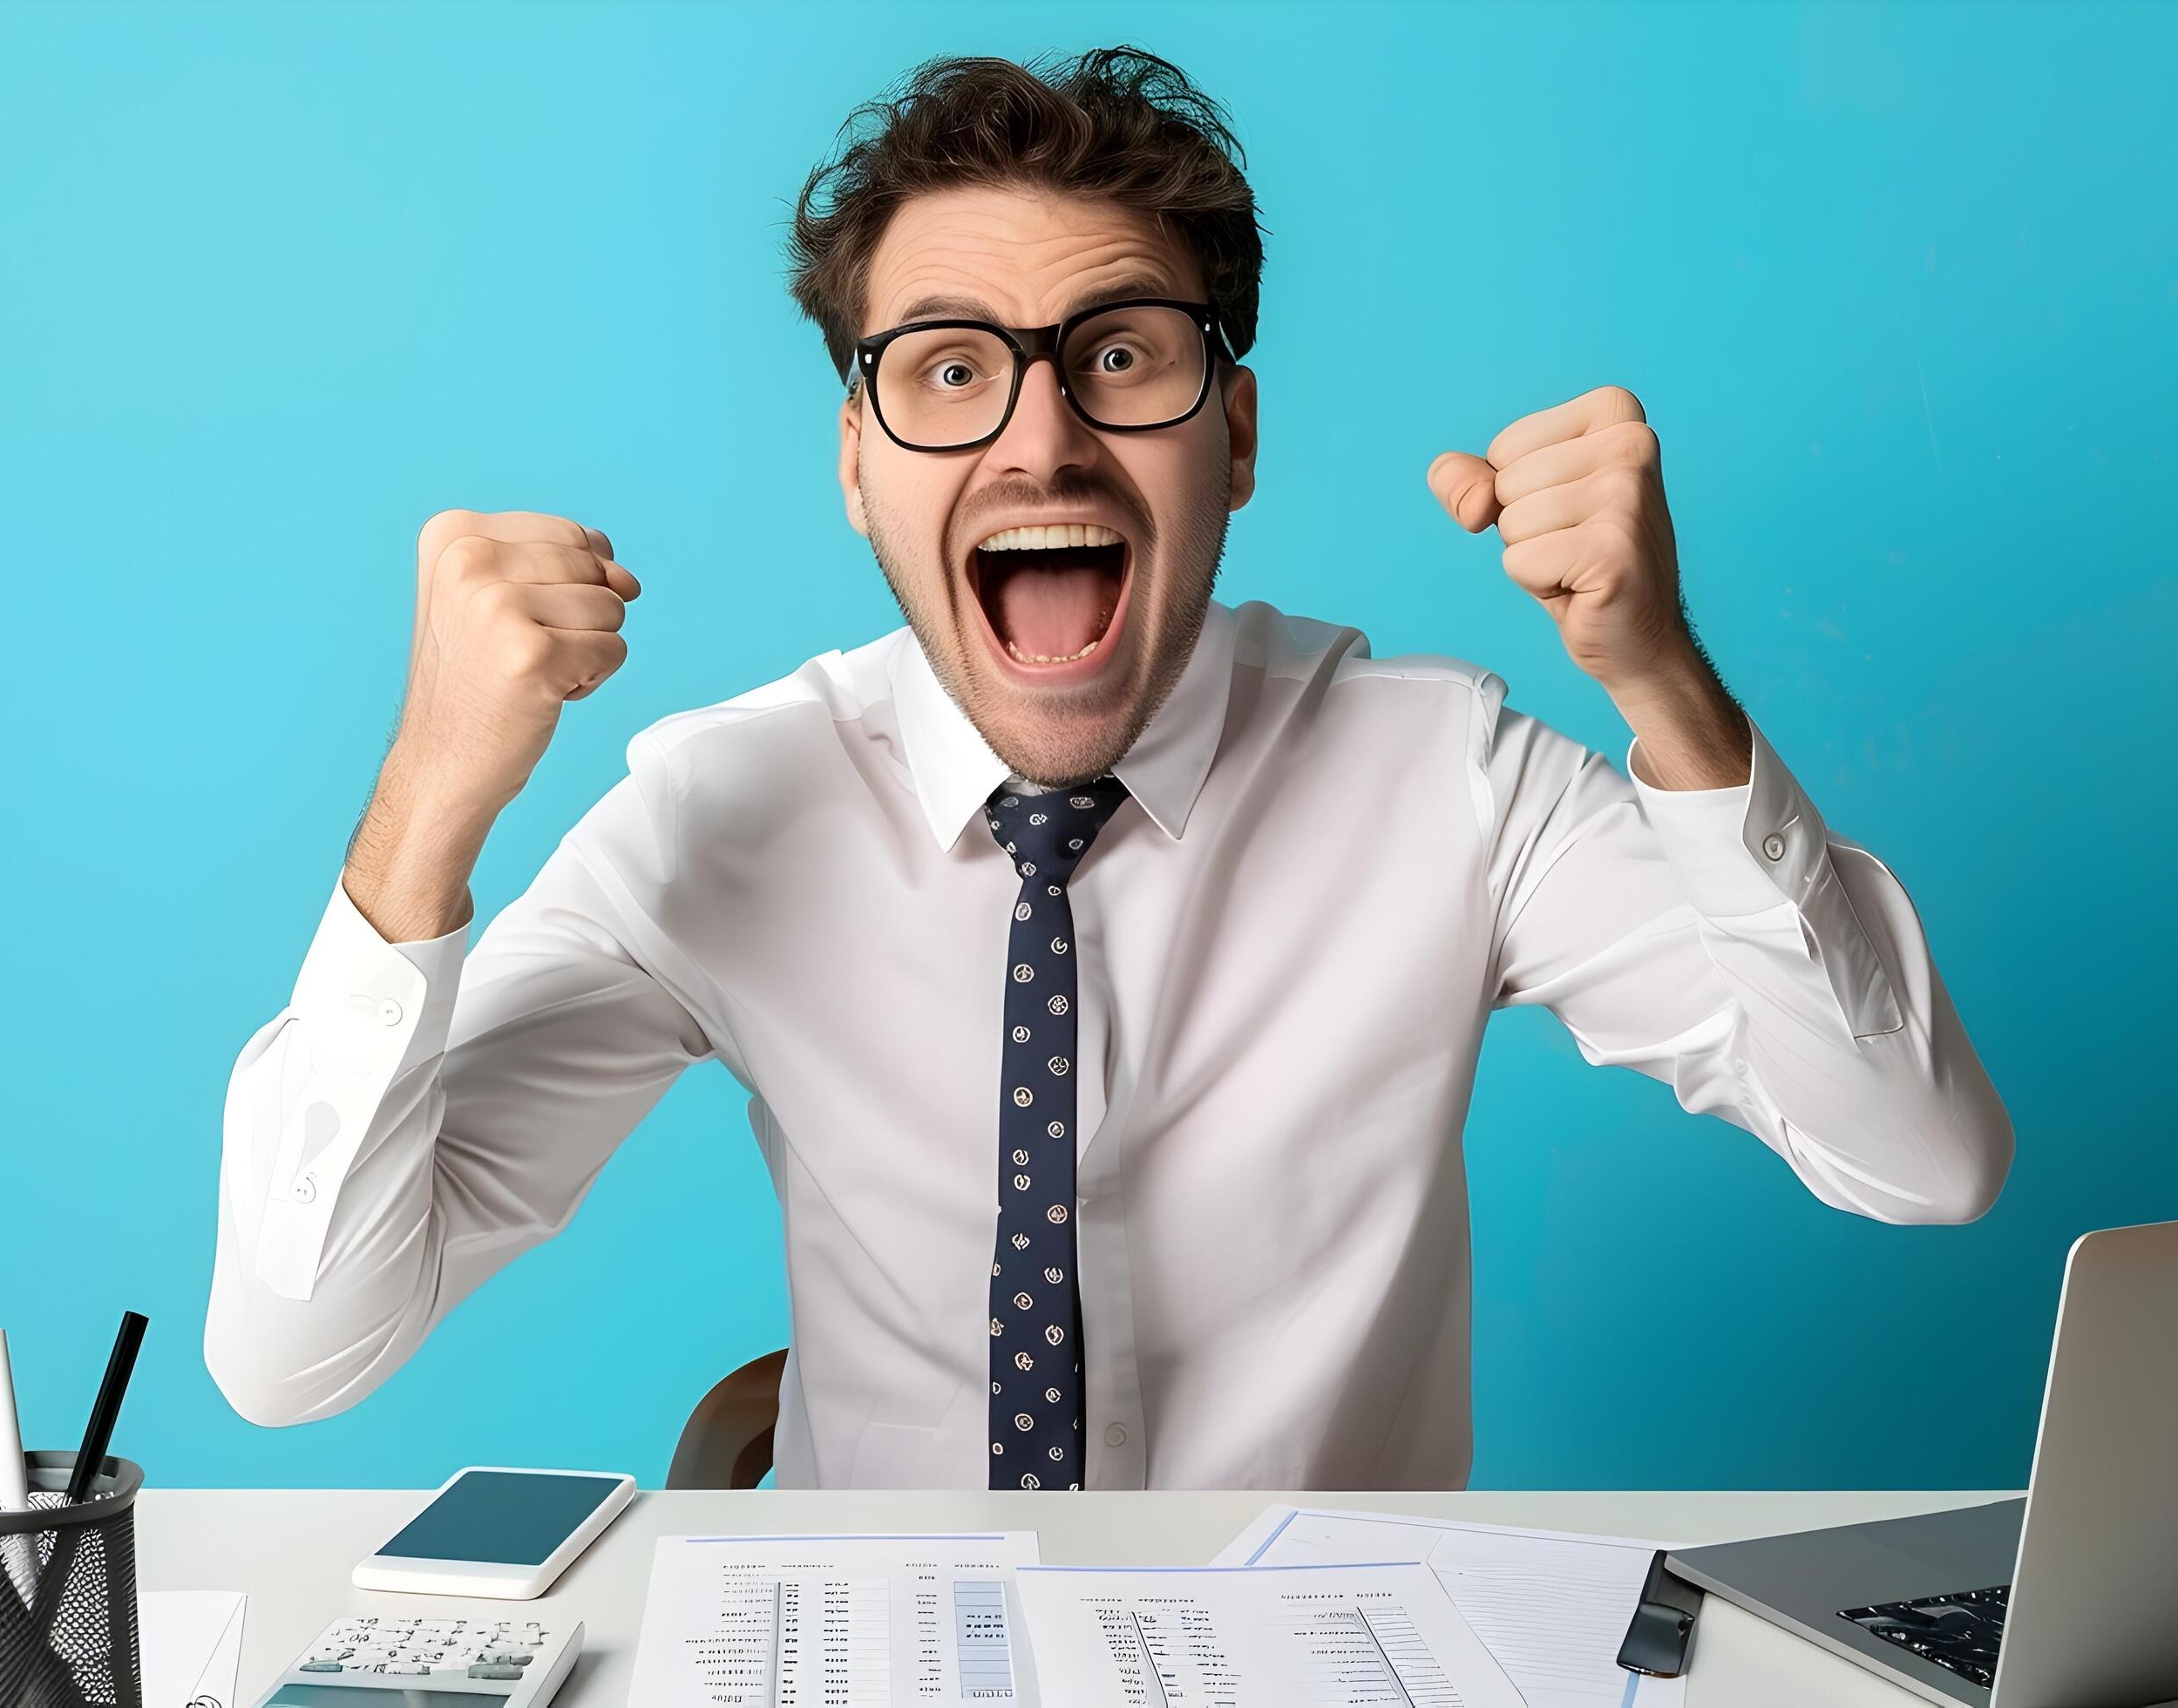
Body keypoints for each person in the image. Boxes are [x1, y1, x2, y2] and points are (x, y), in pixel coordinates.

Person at [203, 47, 2012, 1490]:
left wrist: (1666, 685)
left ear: (1232, 433)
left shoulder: (1444, 772)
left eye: (1120, 355)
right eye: (949, 369)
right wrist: (429, 804)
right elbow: (296, 1355)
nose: (1040, 439)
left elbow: (1921, 1158)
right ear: (859, 460)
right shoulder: (726, 806)